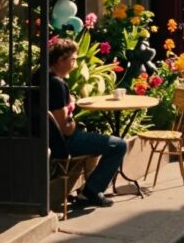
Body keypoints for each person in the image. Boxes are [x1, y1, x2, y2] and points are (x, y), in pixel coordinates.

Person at [39, 38, 127, 207]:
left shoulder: (40, 76)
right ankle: (90, 192)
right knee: (119, 145)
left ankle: (89, 188)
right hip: (62, 143)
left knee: (99, 140)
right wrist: (71, 112)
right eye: (73, 60)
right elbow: (66, 129)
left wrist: (68, 104)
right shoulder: (56, 84)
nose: (75, 65)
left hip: (43, 136)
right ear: (60, 60)